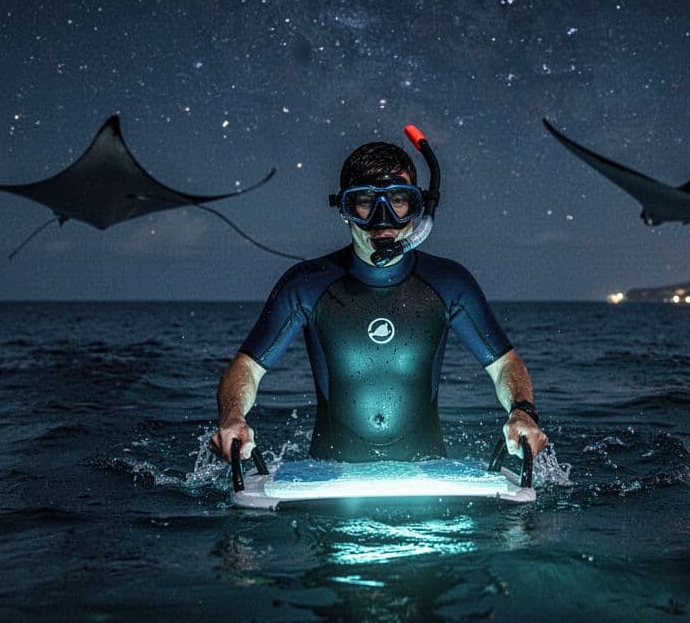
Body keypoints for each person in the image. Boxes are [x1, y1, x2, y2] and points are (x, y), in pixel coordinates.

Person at [209, 133, 547, 465]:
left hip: (427, 473)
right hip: (329, 475)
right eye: (366, 201)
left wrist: (522, 412)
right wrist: (232, 416)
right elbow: (247, 368)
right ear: (345, 208)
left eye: (398, 200)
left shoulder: (449, 283)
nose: (383, 219)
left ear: (417, 206)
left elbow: (505, 365)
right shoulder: (307, 284)